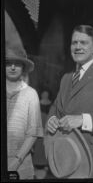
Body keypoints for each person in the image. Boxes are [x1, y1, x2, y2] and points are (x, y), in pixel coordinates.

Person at [45, 25, 93, 178]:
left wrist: (82, 120)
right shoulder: (66, 77)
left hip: (92, 158)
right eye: (74, 43)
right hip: (64, 156)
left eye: (83, 43)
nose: (78, 47)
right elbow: (55, 108)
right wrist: (52, 119)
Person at [6, 45, 43, 179]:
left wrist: (16, 161)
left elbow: (33, 133)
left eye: (18, 64)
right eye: (8, 63)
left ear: (23, 68)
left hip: (21, 164)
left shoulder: (31, 94)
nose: (13, 67)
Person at [32, 90, 52, 179]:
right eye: (43, 93)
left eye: (46, 93)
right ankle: (37, 164)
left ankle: (46, 165)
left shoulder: (51, 104)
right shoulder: (37, 104)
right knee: (39, 146)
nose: (45, 94)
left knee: (46, 147)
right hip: (39, 126)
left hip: (48, 127)